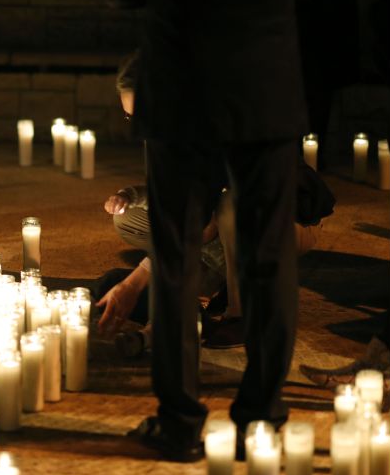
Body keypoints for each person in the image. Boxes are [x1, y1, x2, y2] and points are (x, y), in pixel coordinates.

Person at [112, 0, 328, 462]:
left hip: (179, 80)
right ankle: (260, 420)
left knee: (175, 257)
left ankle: (180, 422)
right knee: (267, 256)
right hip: (263, 81)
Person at [95, 54, 334, 352]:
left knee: (228, 207)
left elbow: (201, 227)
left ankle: (242, 314)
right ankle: (217, 281)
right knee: (128, 222)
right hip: (218, 226)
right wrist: (131, 197)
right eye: (131, 117)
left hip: (283, 221)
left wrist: (134, 282)